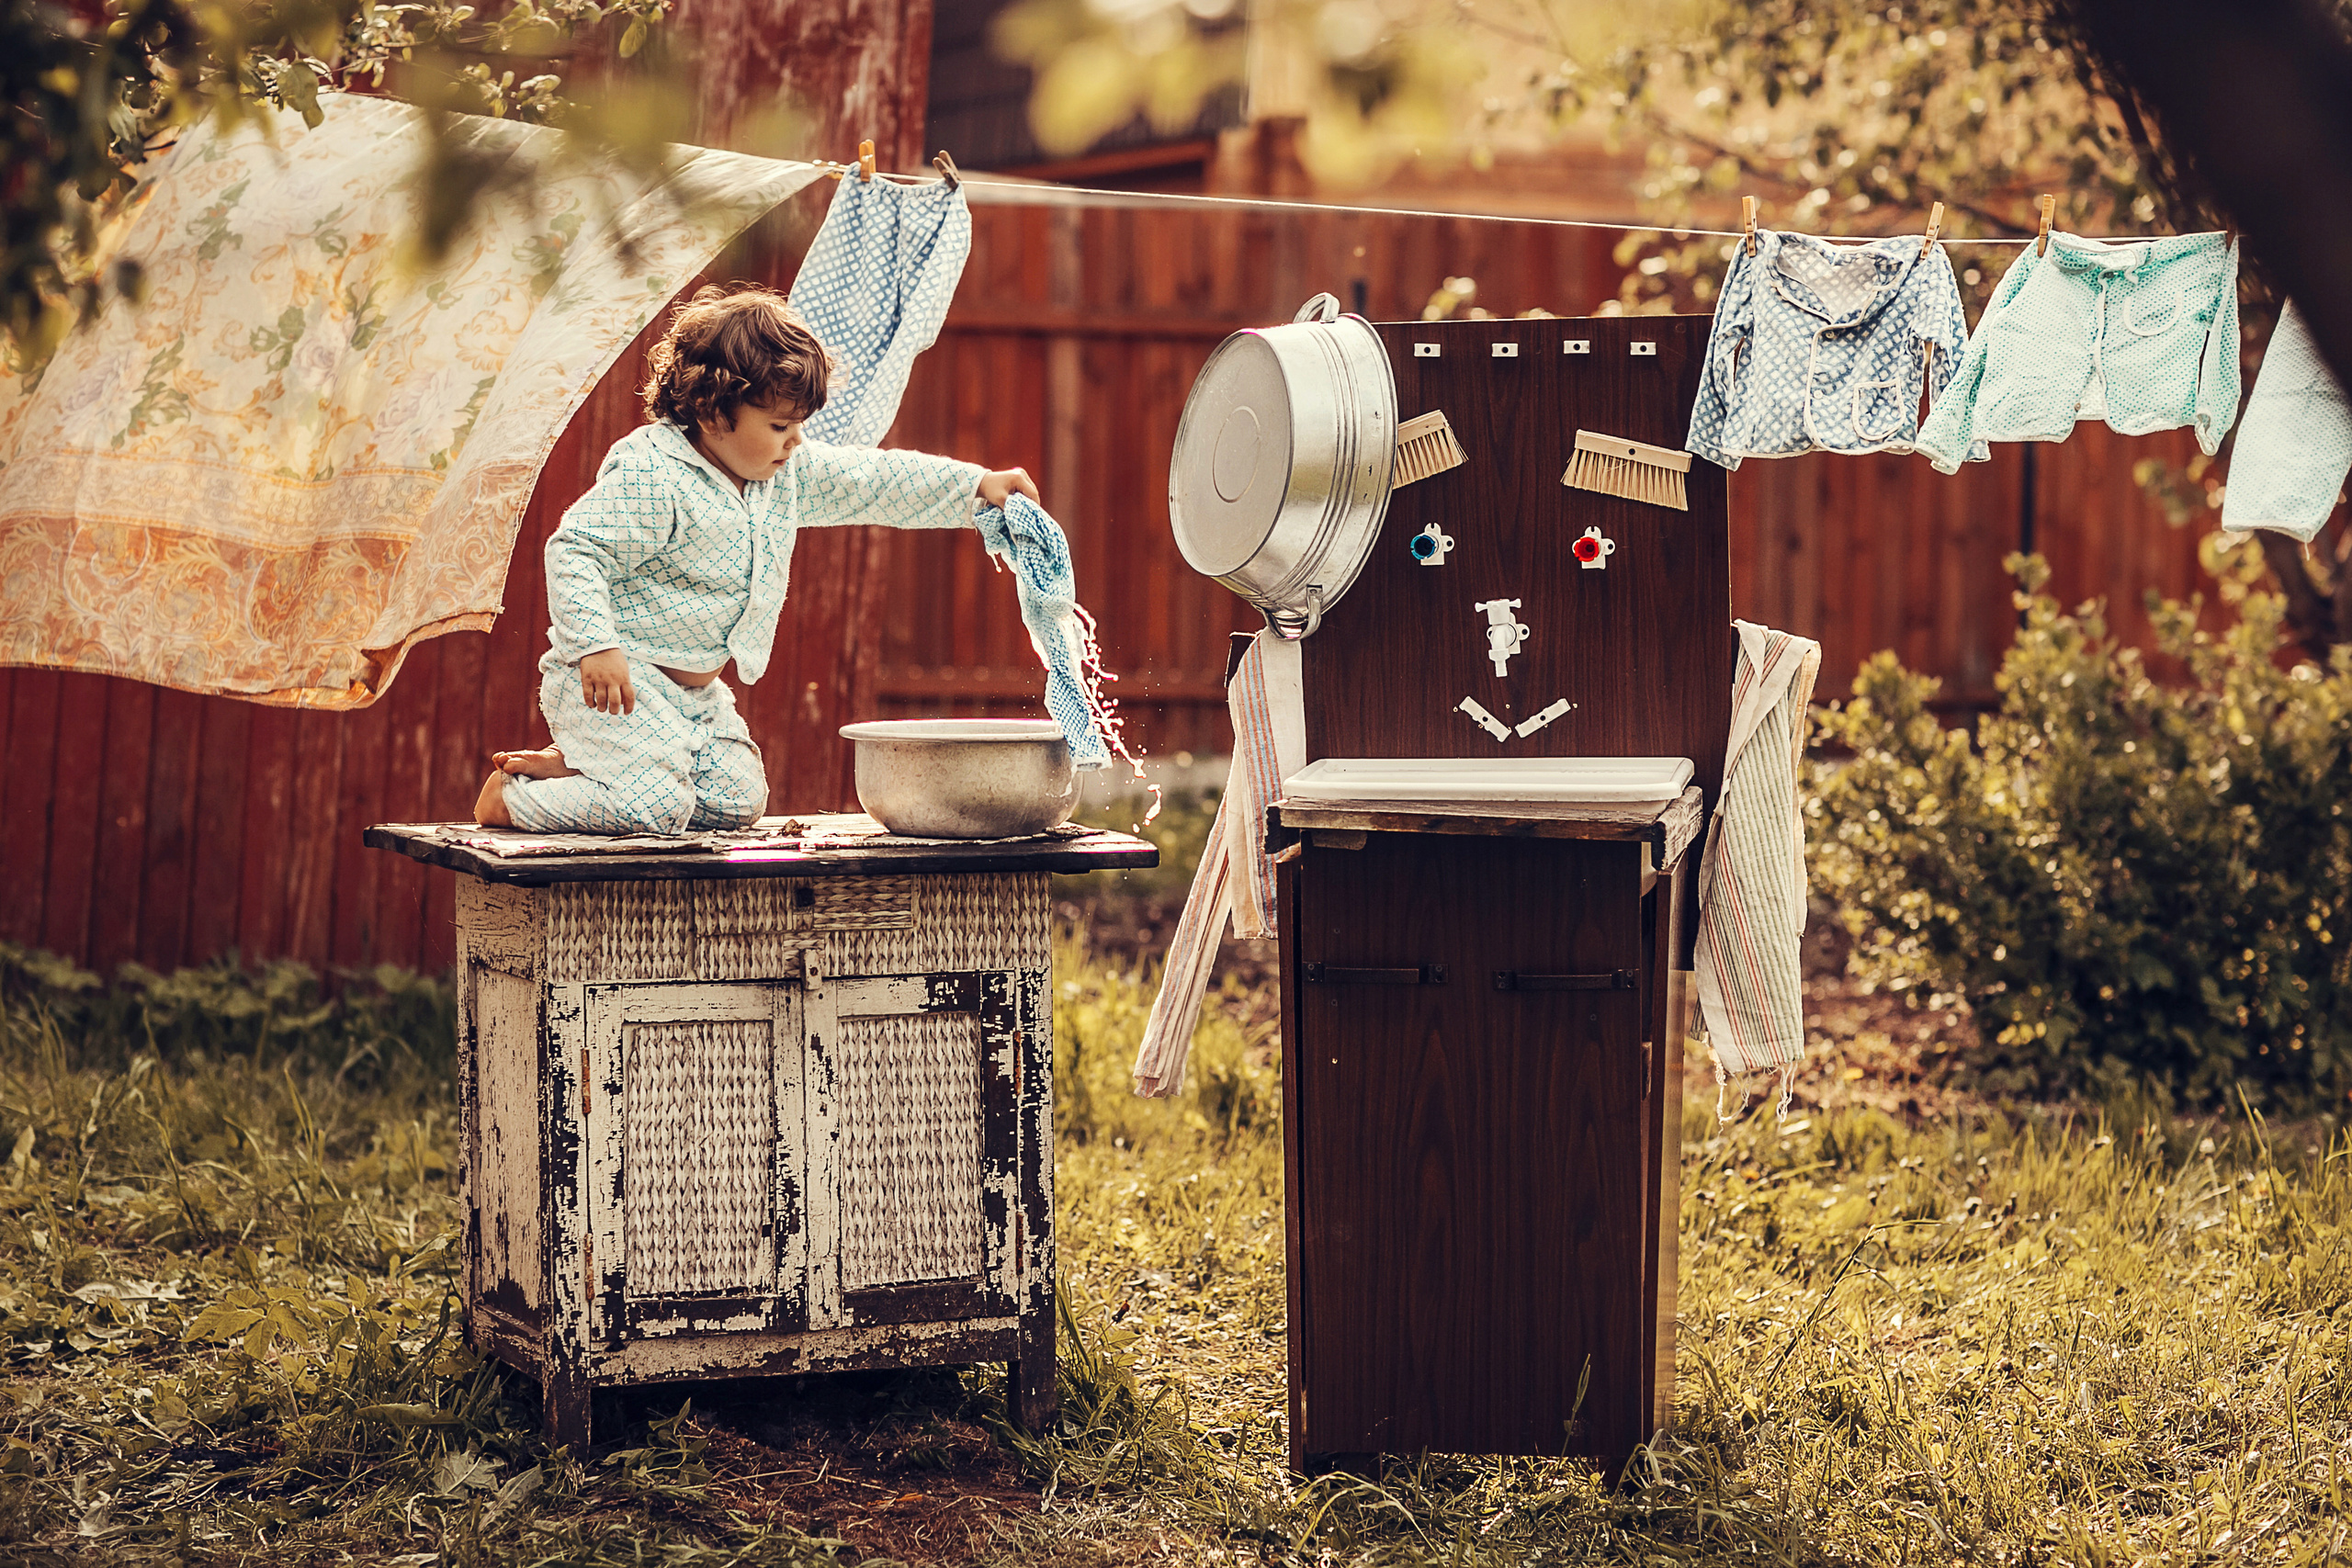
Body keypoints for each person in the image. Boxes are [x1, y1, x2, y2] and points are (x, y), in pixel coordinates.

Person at [475, 283, 1038, 833]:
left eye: (799, 425)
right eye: (778, 425)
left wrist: (977, 486)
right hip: (613, 687)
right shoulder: (655, 475)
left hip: (694, 699)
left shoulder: (781, 475)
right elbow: (577, 549)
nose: (795, 440)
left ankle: (594, 767)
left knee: (737, 802)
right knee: (655, 809)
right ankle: (513, 800)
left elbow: (875, 480)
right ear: (713, 412)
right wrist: (595, 645)